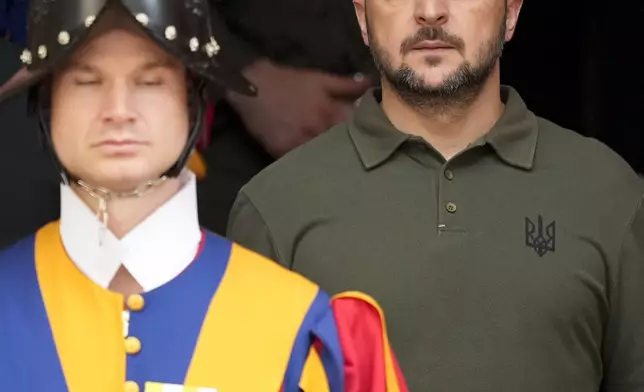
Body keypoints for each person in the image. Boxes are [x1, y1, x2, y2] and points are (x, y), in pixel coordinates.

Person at [227, 0, 644, 390]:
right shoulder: (275, 206)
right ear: (362, 17)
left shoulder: (608, 192)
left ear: (511, 12)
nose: (430, 12)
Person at [0, 1, 409, 391]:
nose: (118, 109)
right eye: (86, 81)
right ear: (46, 104)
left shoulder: (306, 332)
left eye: (151, 81)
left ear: (195, 104)